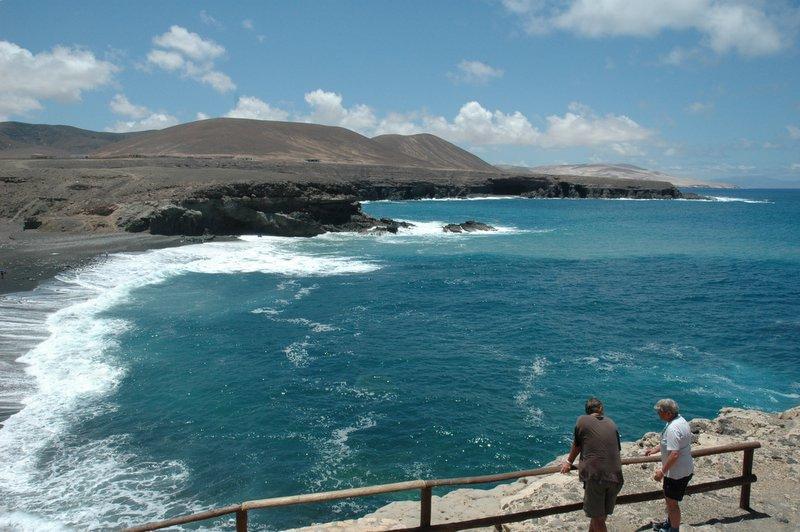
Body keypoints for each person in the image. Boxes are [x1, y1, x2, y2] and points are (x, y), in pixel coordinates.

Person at [560, 397, 624, 532]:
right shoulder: (611, 423)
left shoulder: (582, 420)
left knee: (598, 519)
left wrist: (568, 462)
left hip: (596, 476)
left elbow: (577, 445)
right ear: (600, 409)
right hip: (616, 476)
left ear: (587, 410)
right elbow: (617, 449)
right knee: (599, 517)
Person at [644, 398, 694, 532]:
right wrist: (655, 449)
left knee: (672, 504)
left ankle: (674, 529)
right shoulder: (681, 421)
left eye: (659, 412)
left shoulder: (672, 428)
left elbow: (674, 454)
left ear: (668, 413)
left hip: (675, 473)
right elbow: (670, 443)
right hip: (685, 468)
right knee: (670, 500)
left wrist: (662, 472)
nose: (658, 414)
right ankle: (670, 523)